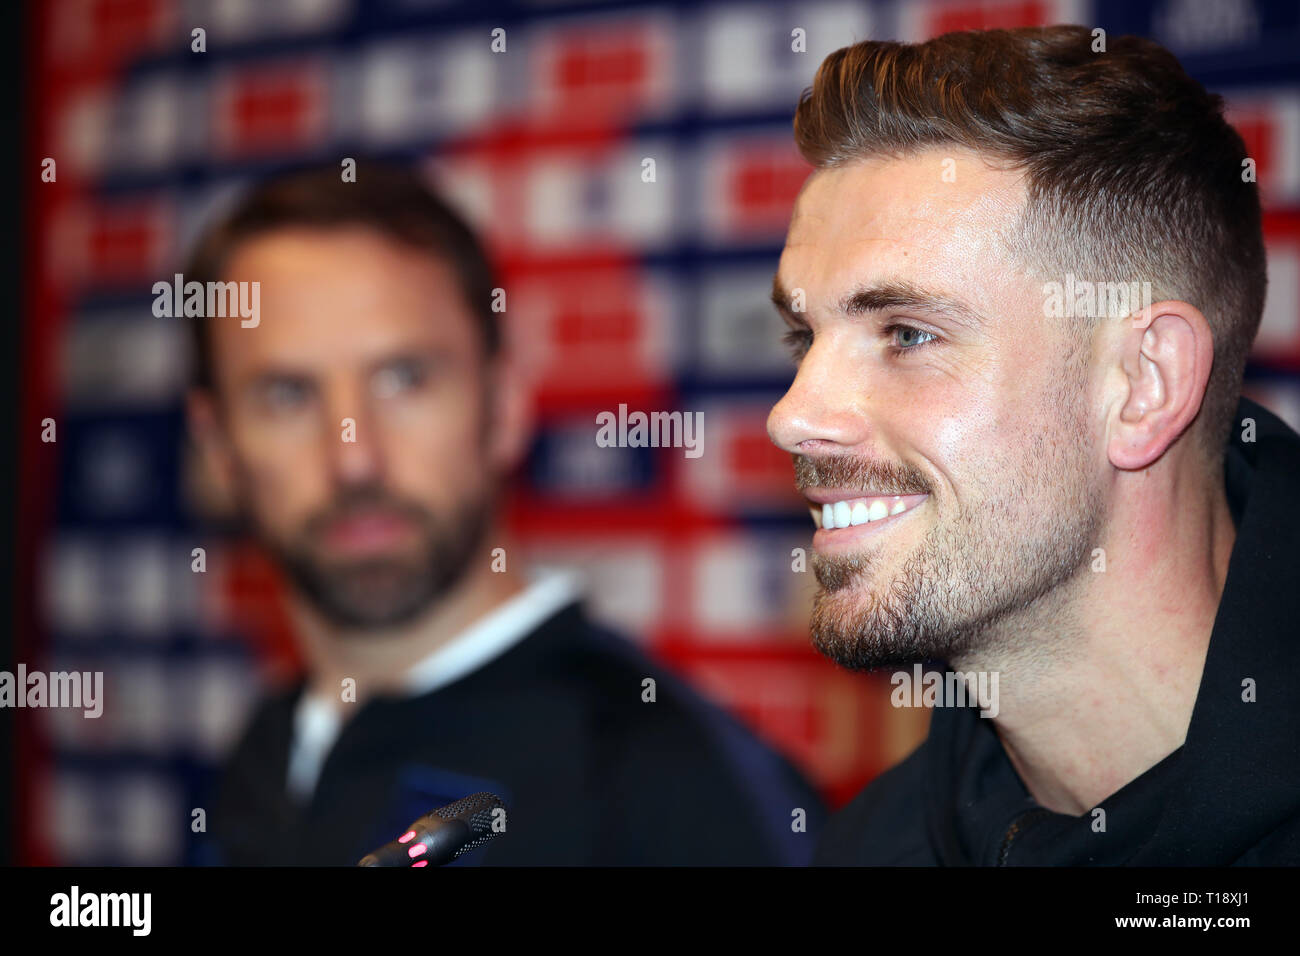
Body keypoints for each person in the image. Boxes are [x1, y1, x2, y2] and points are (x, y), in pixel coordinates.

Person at [185, 162, 824, 865]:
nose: (354, 457)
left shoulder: (679, 790)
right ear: (218, 447)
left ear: (506, 406)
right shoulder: (267, 748)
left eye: (405, 378)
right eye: (287, 394)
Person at [766, 26, 1300, 865]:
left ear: (1143, 383)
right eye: (805, 339)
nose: (792, 416)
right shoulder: (871, 847)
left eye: (906, 334)